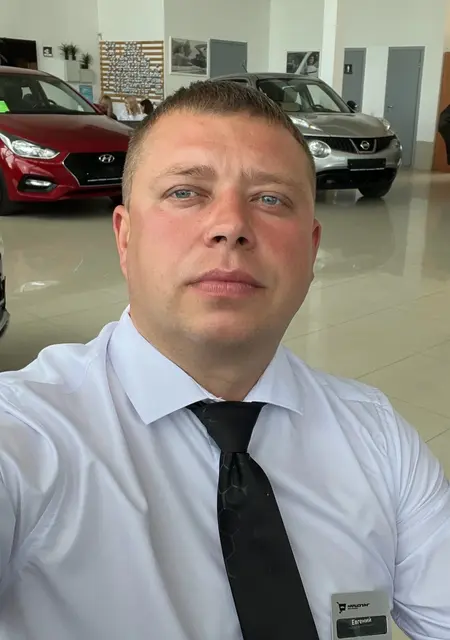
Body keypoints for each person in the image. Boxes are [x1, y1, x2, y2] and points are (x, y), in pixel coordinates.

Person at [0, 81, 448, 640]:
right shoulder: (25, 434)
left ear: (311, 250)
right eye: (186, 192)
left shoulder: (379, 438)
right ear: (125, 237)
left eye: (270, 199)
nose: (231, 225)